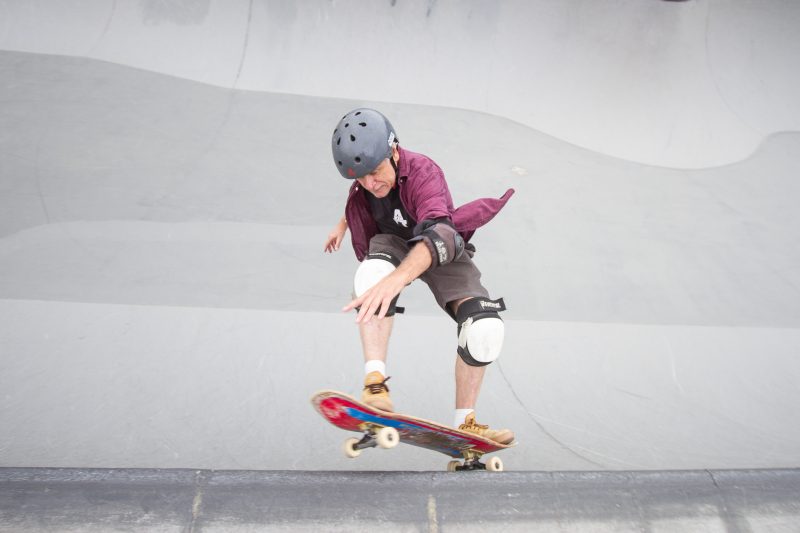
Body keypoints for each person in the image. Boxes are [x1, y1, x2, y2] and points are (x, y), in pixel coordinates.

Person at [323, 108, 515, 444]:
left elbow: (440, 232)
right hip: (392, 242)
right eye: (362, 177)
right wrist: (340, 227)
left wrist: (397, 280)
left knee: (485, 327)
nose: (372, 184)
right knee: (371, 277)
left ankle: (465, 422)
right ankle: (375, 386)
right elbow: (354, 198)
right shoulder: (366, 183)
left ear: (394, 151)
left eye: (377, 172)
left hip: (438, 239)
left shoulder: (424, 172)